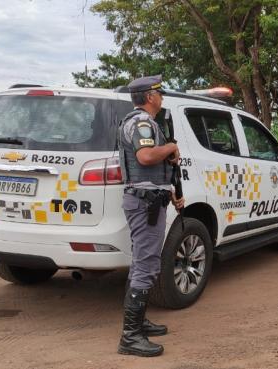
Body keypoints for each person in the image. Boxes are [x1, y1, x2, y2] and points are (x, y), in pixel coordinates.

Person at [116, 75, 185, 357]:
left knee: (142, 264)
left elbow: (149, 171)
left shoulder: (147, 123)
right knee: (146, 266)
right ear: (149, 97)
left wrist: (170, 190)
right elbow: (145, 157)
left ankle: (139, 322)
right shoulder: (141, 122)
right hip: (145, 205)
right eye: (158, 92)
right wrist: (170, 147)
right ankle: (130, 337)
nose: (161, 96)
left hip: (149, 201)